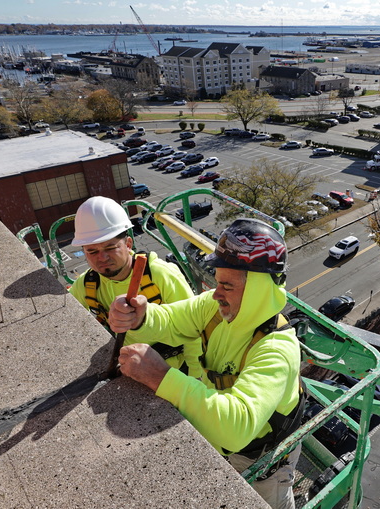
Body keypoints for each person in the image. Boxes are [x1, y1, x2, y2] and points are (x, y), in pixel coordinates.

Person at [110, 219, 304, 509]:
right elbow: (172, 320)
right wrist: (141, 316)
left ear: (258, 290)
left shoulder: (277, 349)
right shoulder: (214, 308)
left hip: (263, 463)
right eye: (217, 281)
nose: (216, 293)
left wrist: (162, 378)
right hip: (220, 443)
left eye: (227, 285)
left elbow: (236, 429)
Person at [68, 196, 200, 376]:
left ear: (128, 244)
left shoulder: (160, 275)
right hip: (131, 368)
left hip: (175, 371)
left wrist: (196, 377)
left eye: (110, 248)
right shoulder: (88, 285)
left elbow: (195, 329)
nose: (102, 258)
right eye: (92, 251)